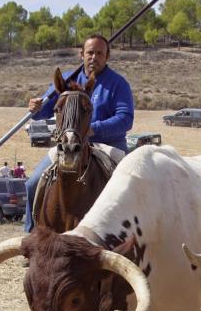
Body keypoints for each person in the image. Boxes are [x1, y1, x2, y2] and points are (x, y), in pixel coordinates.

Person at [24, 34, 134, 232]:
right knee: (32, 183)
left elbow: (125, 119)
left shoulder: (118, 84)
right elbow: (47, 110)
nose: (94, 57)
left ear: (107, 57)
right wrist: (36, 107)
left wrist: (93, 129)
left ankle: (127, 236)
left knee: (129, 188)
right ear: (81, 54)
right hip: (69, 143)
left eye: (100, 53)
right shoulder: (67, 79)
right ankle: (31, 233)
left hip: (107, 145)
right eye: (90, 52)